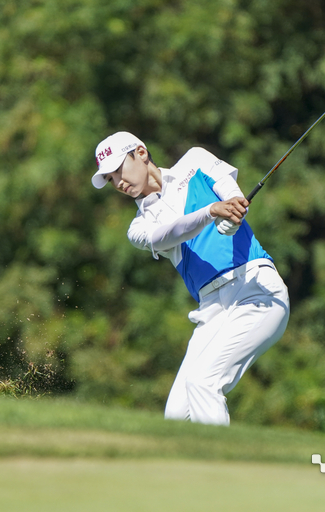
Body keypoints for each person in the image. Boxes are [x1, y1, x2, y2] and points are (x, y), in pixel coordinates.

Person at [92, 131, 290, 425]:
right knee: (176, 416)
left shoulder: (195, 161)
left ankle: (222, 470)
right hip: (211, 310)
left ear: (142, 153)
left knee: (203, 383)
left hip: (255, 289)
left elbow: (230, 194)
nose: (118, 183)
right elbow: (169, 233)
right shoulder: (139, 227)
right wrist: (210, 212)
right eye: (110, 179)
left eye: (119, 169)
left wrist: (233, 214)